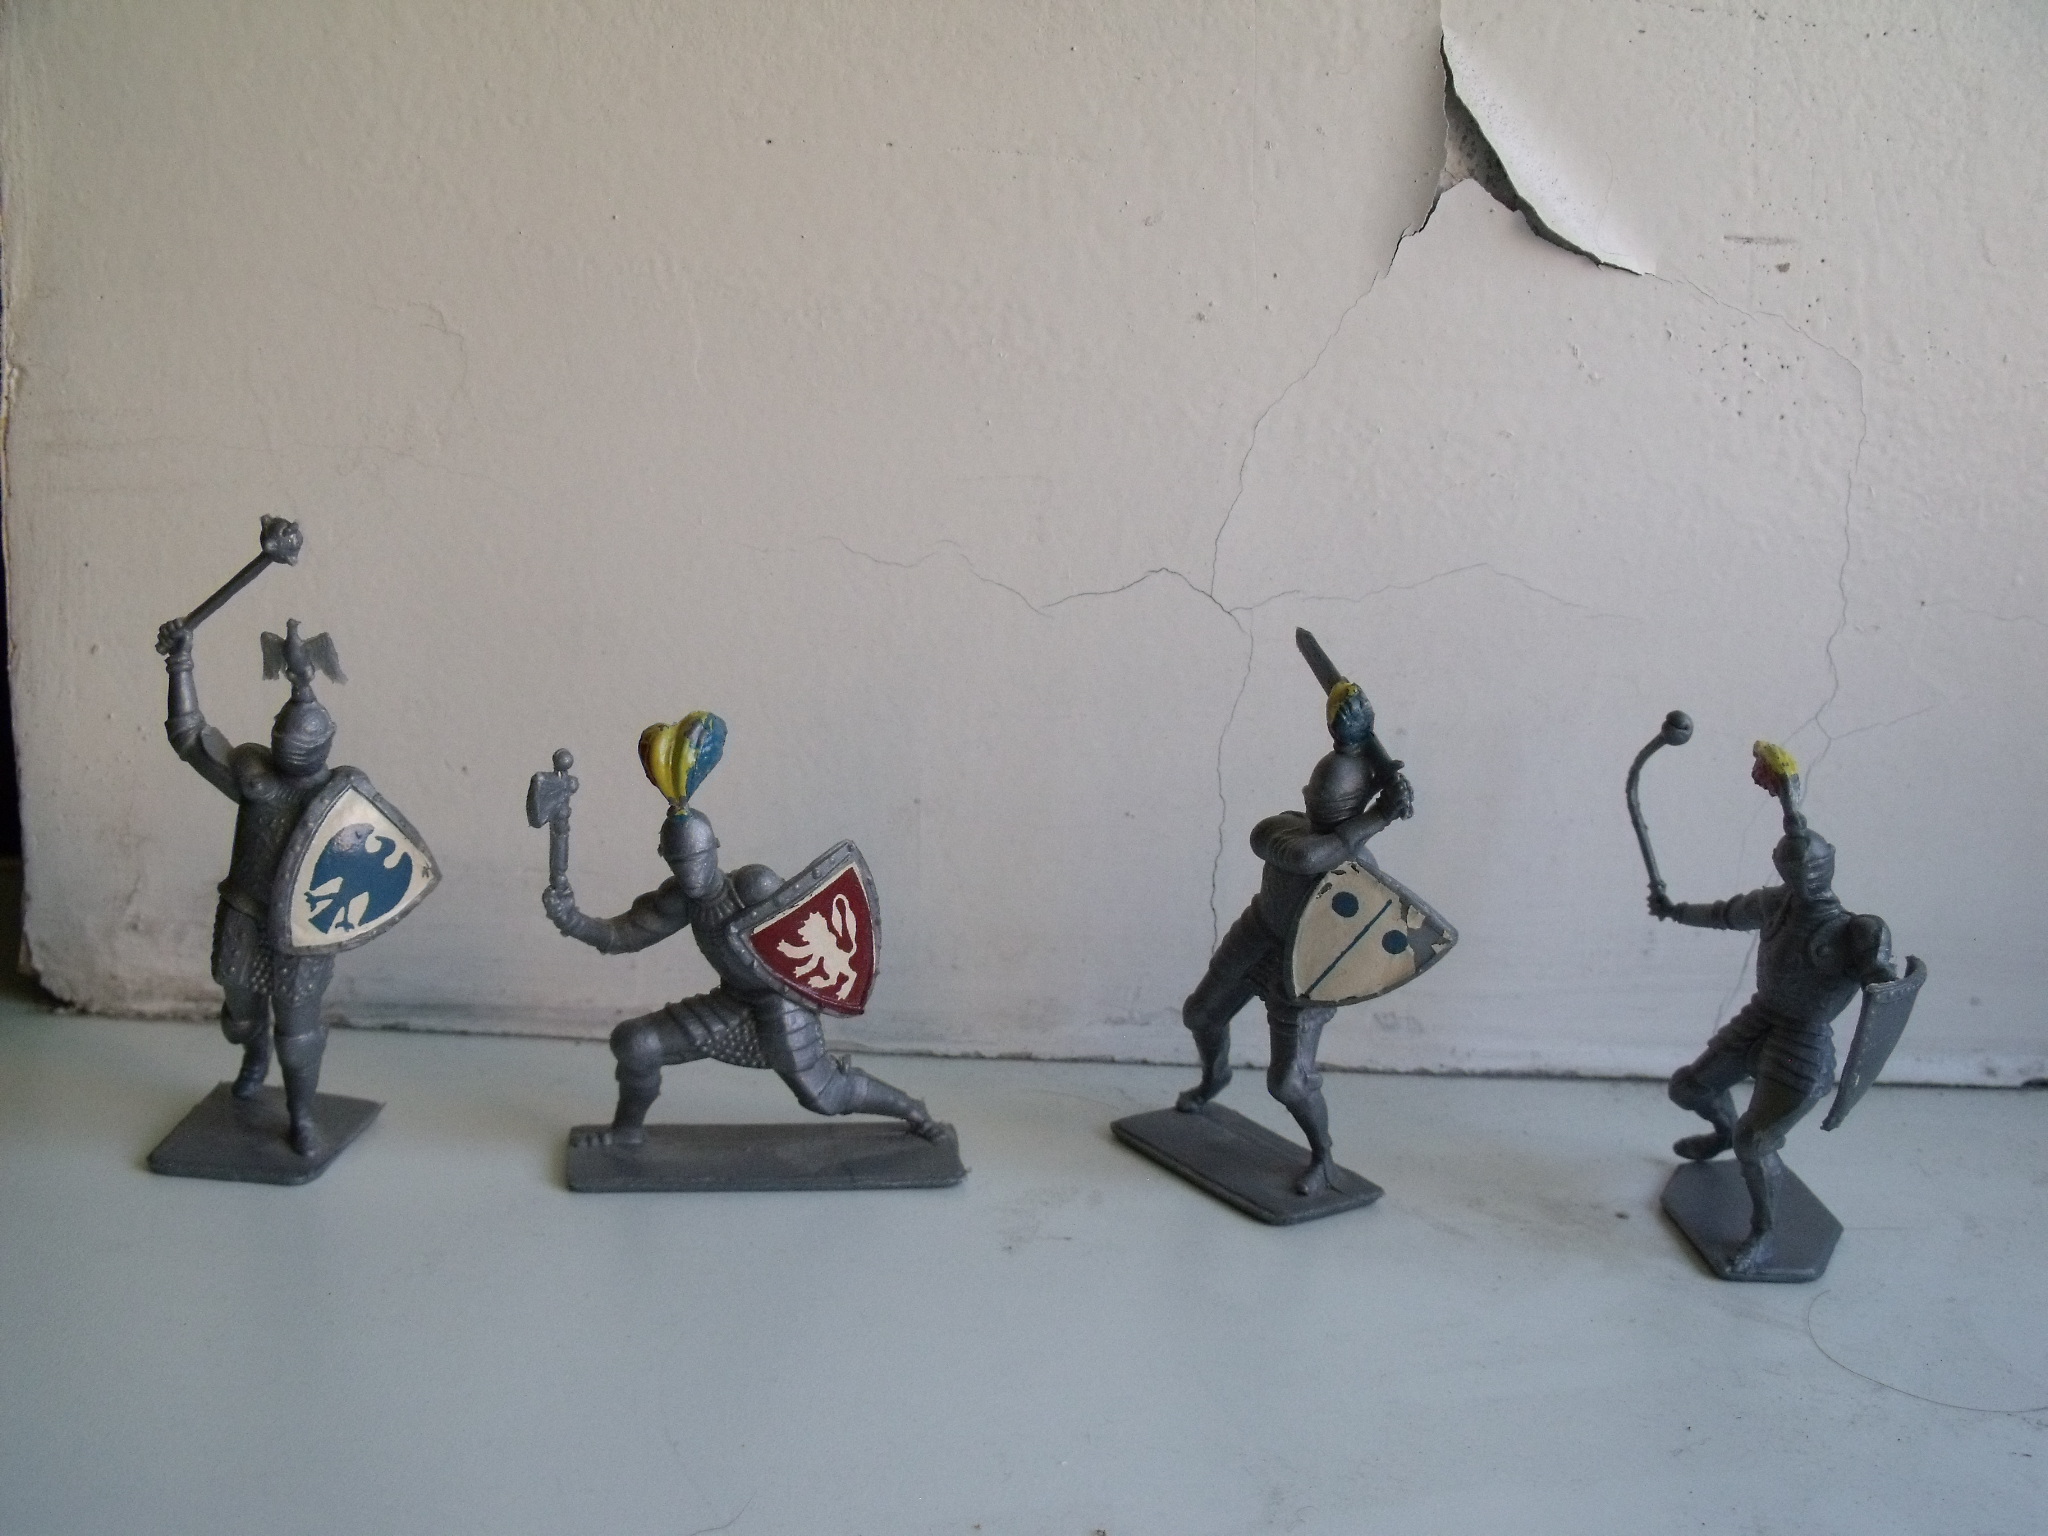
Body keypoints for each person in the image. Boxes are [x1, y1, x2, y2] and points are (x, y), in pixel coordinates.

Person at [542, 717, 938, 1148]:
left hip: (782, 1003)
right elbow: (622, 936)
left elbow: (804, 930)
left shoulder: (753, 885)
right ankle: (626, 1132)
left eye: (696, 860)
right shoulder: (680, 899)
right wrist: (572, 919)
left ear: (714, 850)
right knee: (637, 1043)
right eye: (679, 863)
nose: (689, 873)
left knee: (823, 1095)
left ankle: (912, 1109)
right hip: (732, 1000)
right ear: (666, 859)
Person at [1650, 743, 1898, 1275]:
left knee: (1757, 1141)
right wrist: (1674, 910)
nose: (1803, 876)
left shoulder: (1855, 931)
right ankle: (1722, 1134)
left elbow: (1881, 983)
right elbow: (1722, 914)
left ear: (1830, 867)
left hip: (1803, 1039)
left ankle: (1763, 1233)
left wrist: (1880, 974)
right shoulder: (1773, 904)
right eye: (1794, 868)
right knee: (1690, 1088)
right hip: (1761, 1017)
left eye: (1811, 868)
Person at [1175, 681, 1413, 1195]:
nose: (1323, 813)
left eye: (1340, 809)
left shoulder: (1362, 870)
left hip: (1307, 966)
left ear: (1354, 806)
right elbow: (1304, 857)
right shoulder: (1282, 828)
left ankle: (1323, 1156)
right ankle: (1214, 1078)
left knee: (1288, 1082)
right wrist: (1377, 818)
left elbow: (1361, 919)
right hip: (1258, 934)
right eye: (1319, 803)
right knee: (1201, 1014)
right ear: (1306, 798)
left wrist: (1371, 820)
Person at [160, 617, 343, 1156]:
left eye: (302, 742)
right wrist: (180, 663)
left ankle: (301, 1115)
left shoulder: (340, 797)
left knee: (298, 1033)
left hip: (303, 928)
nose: (291, 749)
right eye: (284, 737)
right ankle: (252, 1054)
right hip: (244, 912)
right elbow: (190, 737)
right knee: (240, 1018)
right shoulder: (253, 775)